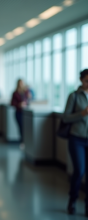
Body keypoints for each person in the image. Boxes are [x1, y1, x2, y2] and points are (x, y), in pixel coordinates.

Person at [64, 69, 88, 216]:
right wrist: (82, 114)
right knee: (79, 171)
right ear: (81, 80)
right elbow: (66, 118)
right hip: (77, 139)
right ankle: (72, 200)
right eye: (86, 80)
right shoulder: (74, 96)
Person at [10, 79, 30, 147]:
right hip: (18, 112)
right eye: (20, 83)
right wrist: (18, 104)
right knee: (21, 127)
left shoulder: (26, 91)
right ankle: (22, 142)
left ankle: (26, 141)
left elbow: (29, 100)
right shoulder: (15, 93)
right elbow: (12, 103)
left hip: (25, 113)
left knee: (26, 128)